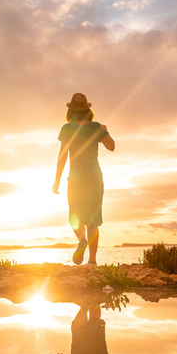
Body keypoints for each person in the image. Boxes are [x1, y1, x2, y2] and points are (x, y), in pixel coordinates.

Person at [53, 93, 115, 265]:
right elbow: (112, 147)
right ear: (88, 110)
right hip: (94, 177)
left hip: (76, 178)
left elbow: (62, 157)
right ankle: (92, 261)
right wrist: (104, 130)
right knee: (93, 220)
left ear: (71, 111)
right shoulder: (96, 127)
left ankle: (81, 240)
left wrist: (57, 180)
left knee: (74, 215)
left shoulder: (67, 129)